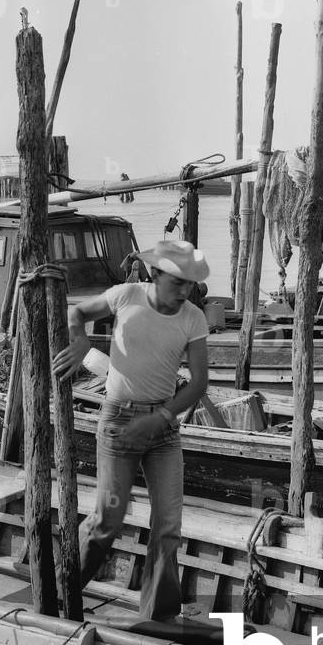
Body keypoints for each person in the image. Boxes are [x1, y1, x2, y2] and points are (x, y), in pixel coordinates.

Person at [52, 240, 209, 621]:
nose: (184, 292)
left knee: (169, 525)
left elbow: (199, 382)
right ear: (155, 275)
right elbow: (77, 311)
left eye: (190, 285)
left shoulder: (193, 318)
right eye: (177, 283)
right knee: (107, 520)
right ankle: (60, 595)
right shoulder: (126, 296)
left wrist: (162, 418)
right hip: (119, 423)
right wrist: (81, 340)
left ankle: (159, 616)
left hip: (164, 430)